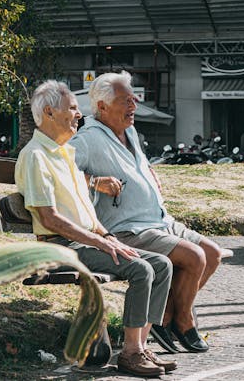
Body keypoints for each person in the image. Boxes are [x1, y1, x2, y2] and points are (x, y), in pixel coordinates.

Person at [15, 80, 177, 377]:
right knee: (141, 269)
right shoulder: (36, 155)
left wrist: (107, 237)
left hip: (84, 242)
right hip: (60, 246)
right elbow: (50, 218)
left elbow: (85, 213)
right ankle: (129, 354)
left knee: (161, 264)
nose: (80, 114)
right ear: (50, 112)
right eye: (73, 108)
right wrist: (101, 242)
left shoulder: (64, 153)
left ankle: (139, 346)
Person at [69, 71, 224, 354]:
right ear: (102, 107)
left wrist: (146, 171)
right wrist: (94, 181)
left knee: (212, 254)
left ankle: (166, 316)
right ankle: (182, 320)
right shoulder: (87, 138)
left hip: (160, 220)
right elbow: (62, 171)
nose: (133, 106)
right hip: (129, 229)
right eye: (125, 101)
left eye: (133, 99)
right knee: (194, 257)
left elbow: (133, 164)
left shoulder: (129, 131)